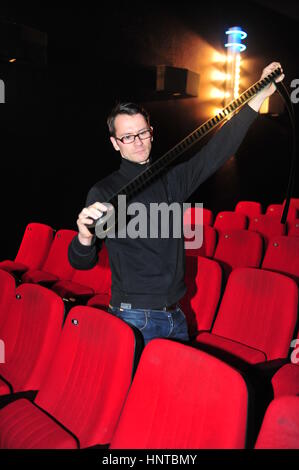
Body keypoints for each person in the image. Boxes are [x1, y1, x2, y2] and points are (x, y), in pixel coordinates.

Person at [68, 62, 284, 345]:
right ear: (115, 143)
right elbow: (82, 261)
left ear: (151, 132)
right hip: (134, 319)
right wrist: (84, 237)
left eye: (143, 132)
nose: (138, 142)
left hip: (176, 316)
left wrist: (258, 96)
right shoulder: (106, 192)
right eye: (128, 137)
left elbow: (217, 151)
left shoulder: (171, 181)